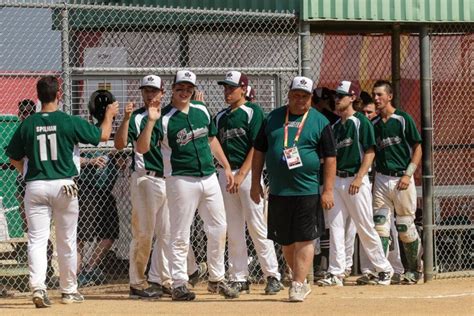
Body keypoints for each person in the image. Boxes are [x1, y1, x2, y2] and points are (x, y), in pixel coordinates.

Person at [5, 76, 118, 308]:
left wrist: (25, 171)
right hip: (64, 185)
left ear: (38, 96)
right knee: (67, 240)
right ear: (59, 95)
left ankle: (38, 287)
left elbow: (13, 156)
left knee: (37, 239)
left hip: (35, 186)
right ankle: (69, 290)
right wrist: (108, 115)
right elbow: (103, 136)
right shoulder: (68, 121)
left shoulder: (27, 124)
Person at [136, 70, 238, 301]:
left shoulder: (201, 109)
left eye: (188, 88)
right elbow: (142, 148)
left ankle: (217, 278)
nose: (184, 92)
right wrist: (150, 121)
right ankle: (179, 283)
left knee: (219, 228)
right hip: (181, 179)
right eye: (180, 88)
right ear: (172, 89)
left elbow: (211, 139)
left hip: (209, 176)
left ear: (193, 90)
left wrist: (226, 166)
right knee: (180, 233)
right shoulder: (163, 117)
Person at [251, 76, 337, 302]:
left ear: (311, 98)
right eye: (296, 95)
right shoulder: (273, 118)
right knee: (286, 241)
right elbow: (259, 150)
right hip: (279, 190)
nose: (300, 99)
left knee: (305, 238)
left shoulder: (319, 121)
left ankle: (298, 283)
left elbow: (330, 157)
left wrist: (328, 189)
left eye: (305, 96)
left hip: (307, 190)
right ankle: (299, 276)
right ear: (288, 95)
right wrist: (254, 182)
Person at [317, 80, 393, 287]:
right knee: (335, 227)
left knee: (364, 226)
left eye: (341, 96)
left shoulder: (361, 122)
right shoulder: (334, 126)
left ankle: (384, 268)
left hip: (354, 180)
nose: (336, 99)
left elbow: (370, 151)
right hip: (338, 181)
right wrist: (329, 186)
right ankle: (336, 272)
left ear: (352, 98)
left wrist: (360, 178)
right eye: (336, 96)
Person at [214, 71, 281, 294]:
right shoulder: (220, 116)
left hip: (249, 174)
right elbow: (216, 147)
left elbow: (257, 146)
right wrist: (227, 171)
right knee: (232, 228)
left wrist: (242, 174)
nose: (227, 91)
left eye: (231, 88)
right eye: (225, 87)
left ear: (243, 89)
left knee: (257, 225)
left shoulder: (253, 112)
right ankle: (239, 277)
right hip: (227, 175)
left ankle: (272, 275)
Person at [114, 74, 173, 299]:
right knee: (144, 233)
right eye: (146, 90)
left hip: (169, 179)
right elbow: (121, 145)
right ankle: (137, 283)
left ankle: (164, 279)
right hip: (145, 178)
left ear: (162, 92)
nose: (150, 94)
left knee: (167, 234)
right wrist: (126, 118)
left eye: (154, 90)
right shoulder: (138, 117)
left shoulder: (169, 116)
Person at [371, 80, 423, 284]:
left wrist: (409, 173)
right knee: (380, 226)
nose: (376, 98)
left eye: (379, 95)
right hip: (382, 177)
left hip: (402, 177)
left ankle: (413, 270)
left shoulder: (402, 119)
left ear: (389, 96)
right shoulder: (374, 124)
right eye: (374, 95)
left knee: (404, 226)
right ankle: (383, 271)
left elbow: (417, 147)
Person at [76, 91, 124, 287]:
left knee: (110, 233)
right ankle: (77, 273)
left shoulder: (115, 133)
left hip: (105, 192)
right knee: (81, 235)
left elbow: (120, 150)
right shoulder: (89, 131)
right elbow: (73, 157)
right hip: (87, 189)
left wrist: (118, 158)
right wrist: (90, 161)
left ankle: (90, 267)